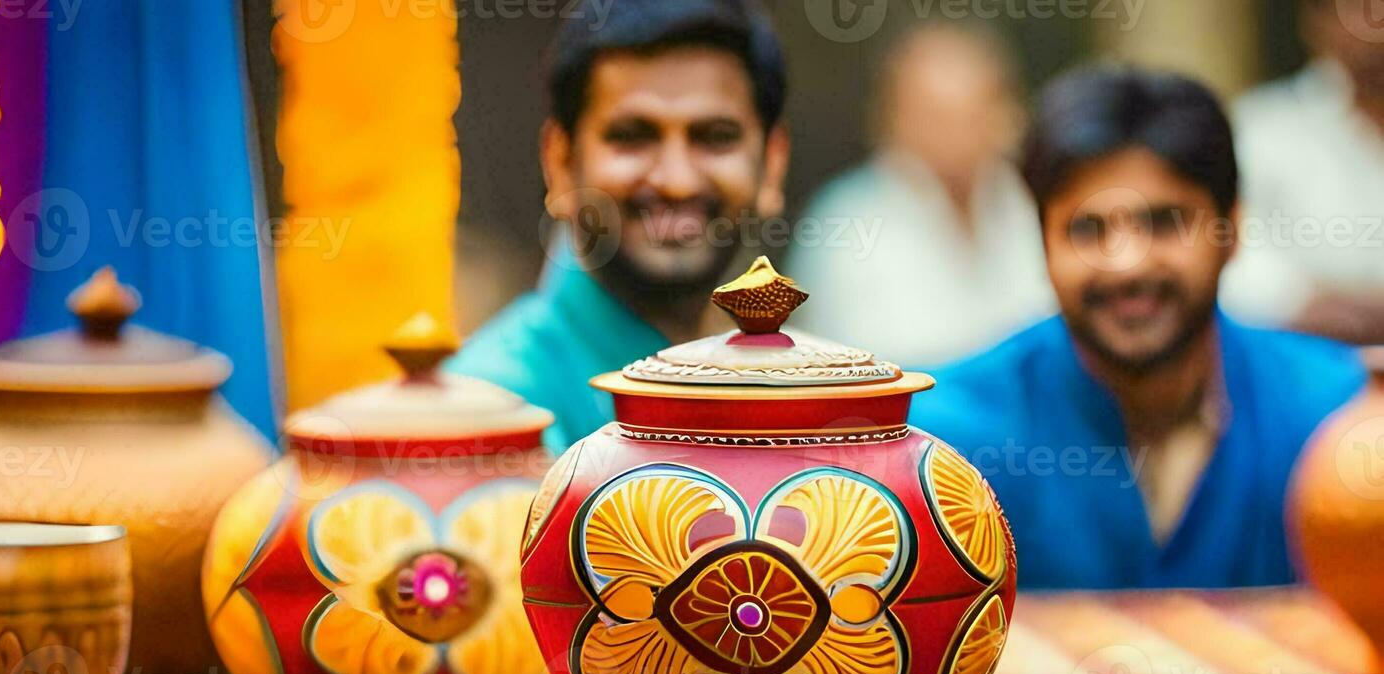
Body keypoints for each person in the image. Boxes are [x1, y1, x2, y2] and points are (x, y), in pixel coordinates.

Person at [909, 66, 1366, 590]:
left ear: (1232, 229)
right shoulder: (946, 448)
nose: (1126, 265)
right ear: (1043, 245)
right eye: (1087, 228)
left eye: (1165, 223)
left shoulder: (1338, 423)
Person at [448, 0, 790, 452]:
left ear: (772, 164)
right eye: (632, 136)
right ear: (560, 163)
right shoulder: (496, 409)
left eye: (714, 137)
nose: (676, 181)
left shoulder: (806, 392)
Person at [785, 24, 1053, 368]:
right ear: (890, 117)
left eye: (974, 113)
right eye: (937, 116)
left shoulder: (1031, 205)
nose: (959, 135)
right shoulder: (844, 221)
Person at [1221, 0, 1384, 343]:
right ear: (1315, 20)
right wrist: (1309, 303)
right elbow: (1234, 259)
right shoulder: (1263, 128)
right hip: (1310, 370)